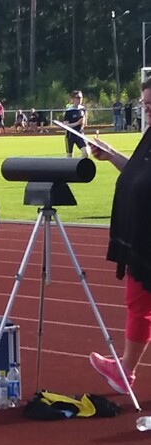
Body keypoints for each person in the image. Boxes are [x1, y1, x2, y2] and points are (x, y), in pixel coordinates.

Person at [89, 77, 151, 393]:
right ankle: (125, 371)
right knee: (138, 303)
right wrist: (111, 154)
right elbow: (139, 175)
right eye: (145, 104)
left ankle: (125, 371)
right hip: (141, 237)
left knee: (140, 304)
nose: (147, 110)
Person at [63, 90, 89, 158]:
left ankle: (77, 163)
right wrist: (77, 123)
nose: (80, 99)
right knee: (69, 156)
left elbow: (84, 120)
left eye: (81, 97)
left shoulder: (82, 109)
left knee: (86, 153)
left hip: (79, 134)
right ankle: (72, 164)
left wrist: (83, 125)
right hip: (70, 135)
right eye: (78, 97)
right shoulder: (69, 111)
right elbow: (65, 125)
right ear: (73, 99)